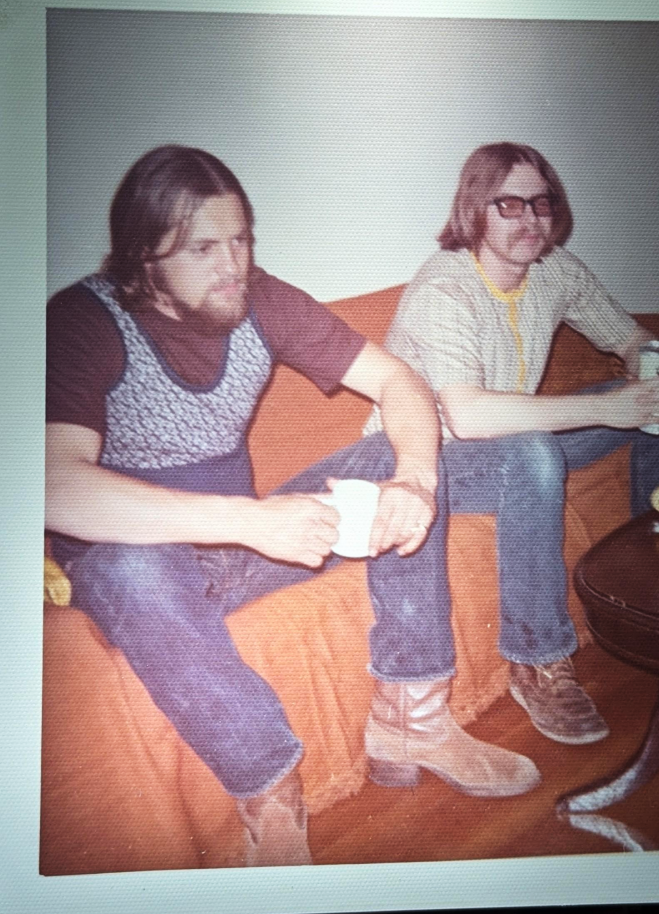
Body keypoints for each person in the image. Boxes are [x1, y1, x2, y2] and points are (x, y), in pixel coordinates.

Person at [45, 145, 540, 868]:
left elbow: (401, 382)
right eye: (204, 248)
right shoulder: (82, 321)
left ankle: (413, 716)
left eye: (241, 239)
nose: (233, 265)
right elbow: (55, 484)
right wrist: (251, 521)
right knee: (125, 569)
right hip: (150, 568)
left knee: (391, 464)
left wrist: (415, 482)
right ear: (143, 257)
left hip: (247, 549)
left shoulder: (260, 298)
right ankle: (271, 793)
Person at [366, 142, 659, 747]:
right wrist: (607, 406)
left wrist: (651, 374)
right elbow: (464, 417)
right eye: (508, 205)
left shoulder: (554, 270)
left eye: (540, 204)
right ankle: (536, 658)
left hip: (515, 447)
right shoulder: (446, 288)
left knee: (657, 409)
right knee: (539, 450)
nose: (529, 221)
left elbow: (631, 337)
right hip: (428, 457)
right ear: (475, 210)